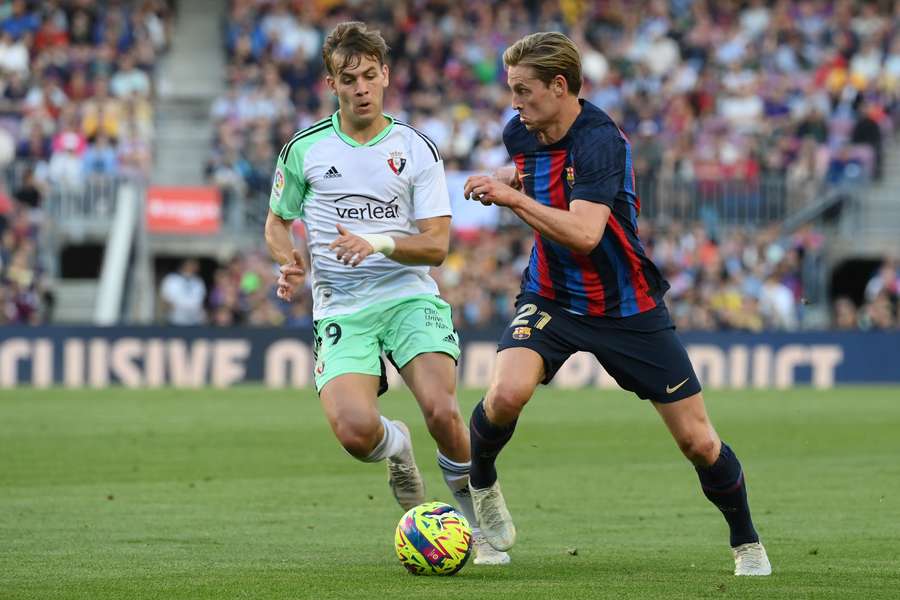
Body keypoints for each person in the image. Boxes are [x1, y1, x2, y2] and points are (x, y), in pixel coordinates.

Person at [462, 32, 771, 576]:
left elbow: (584, 234)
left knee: (698, 441)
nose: (514, 102)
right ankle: (482, 484)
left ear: (559, 87)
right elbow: (533, 168)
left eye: (523, 90)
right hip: (552, 296)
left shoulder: (601, 140)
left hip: (627, 307)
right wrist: (507, 177)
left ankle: (746, 542)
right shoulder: (521, 131)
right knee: (506, 392)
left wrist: (511, 198)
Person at [264, 21, 508, 565]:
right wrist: (290, 262)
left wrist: (374, 242)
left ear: (387, 76)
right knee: (354, 432)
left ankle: (480, 512)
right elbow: (277, 222)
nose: (361, 88)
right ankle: (397, 447)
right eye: (349, 79)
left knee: (444, 412)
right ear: (332, 84)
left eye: (370, 76)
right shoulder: (304, 150)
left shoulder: (414, 147)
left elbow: (437, 246)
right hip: (341, 307)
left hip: (407, 296)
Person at [159, 259, 206, 326]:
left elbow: (200, 300)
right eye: (191, 265)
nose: (193, 268)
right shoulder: (171, 279)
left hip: (194, 319)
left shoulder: (198, 281)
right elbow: (165, 298)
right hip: (175, 319)